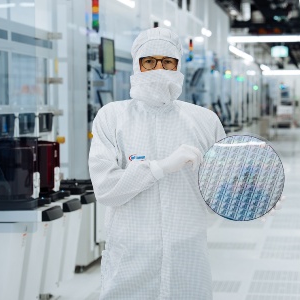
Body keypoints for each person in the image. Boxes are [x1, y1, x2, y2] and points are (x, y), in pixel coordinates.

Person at [89, 27, 226, 299]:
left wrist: (255, 197)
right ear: (137, 66)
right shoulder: (112, 118)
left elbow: (223, 187)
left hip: (187, 256)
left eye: (167, 62)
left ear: (177, 66)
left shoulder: (204, 121)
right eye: (149, 61)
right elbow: (105, 189)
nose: (158, 69)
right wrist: (159, 167)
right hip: (132, 256)